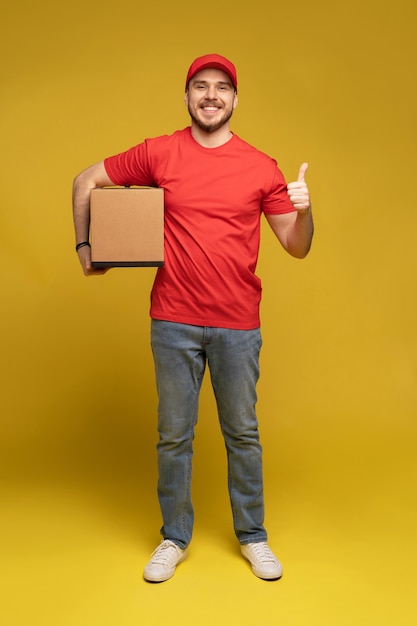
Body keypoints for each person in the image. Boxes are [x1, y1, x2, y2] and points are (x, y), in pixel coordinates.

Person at [72, 53, 314, 583]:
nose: (211, 95)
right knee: (174, 435)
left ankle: (253, 536)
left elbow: (296, 246)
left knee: (242, 434)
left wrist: (305, 208)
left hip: (237, 325)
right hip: (173, 320)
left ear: (234, 99)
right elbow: (87, 178)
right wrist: (86, 246)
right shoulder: (159, 152)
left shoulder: (260, 165)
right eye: (200, 86)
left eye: (221, 87)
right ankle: (173, 536)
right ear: (186, 96)